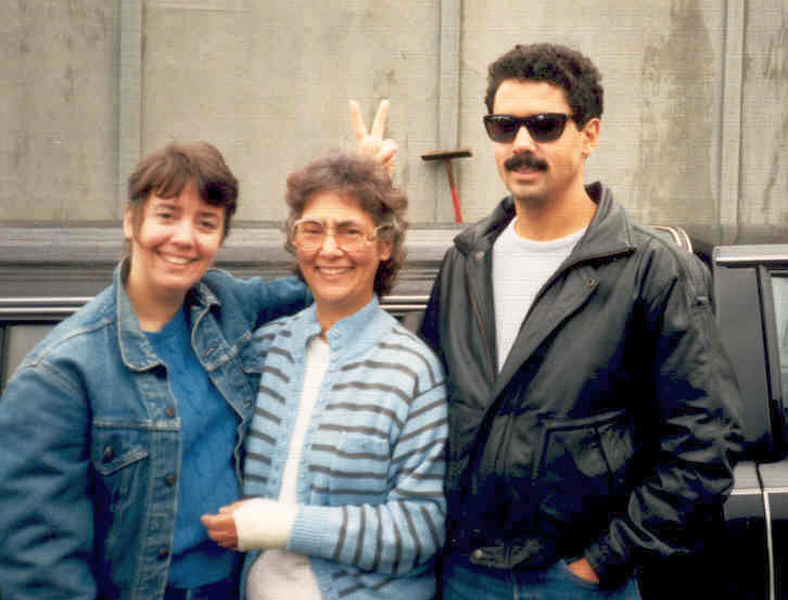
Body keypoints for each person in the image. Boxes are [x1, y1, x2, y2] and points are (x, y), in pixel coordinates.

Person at [416, 43, 743, 599]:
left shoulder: (652, 269)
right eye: (504, 126)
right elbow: (426, 411)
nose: (522, 143)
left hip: (579, 582)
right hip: (466, 575)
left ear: (589, 134)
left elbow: (704, 446)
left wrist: (600, 563)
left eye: (545, 125)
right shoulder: (465, 261)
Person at [0, 141, 311, 599]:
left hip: (242, 585)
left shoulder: (226, 306)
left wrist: (362, 191)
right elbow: (40, 567)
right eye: (167, 215)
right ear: (131, 221)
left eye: (206, 223)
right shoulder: (61, 375)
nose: (185, 237)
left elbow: (326, 281)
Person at [201, 150, 448, 600]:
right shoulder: (266, 350)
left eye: (350, 231)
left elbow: (419, 527)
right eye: (312, 230)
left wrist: (283, 525)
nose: (329, 249)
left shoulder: (412, 369)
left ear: (385, 245)